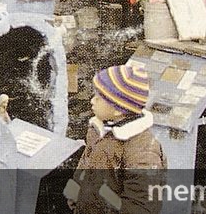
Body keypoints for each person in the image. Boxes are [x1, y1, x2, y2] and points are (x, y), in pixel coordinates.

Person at [65, 64, 165, 214]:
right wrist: (74, 193)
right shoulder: (98, 129)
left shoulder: (142, 151)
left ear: (118, 109)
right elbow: (86, 163)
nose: (92, 101)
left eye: (99, 98)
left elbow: (142, 206)